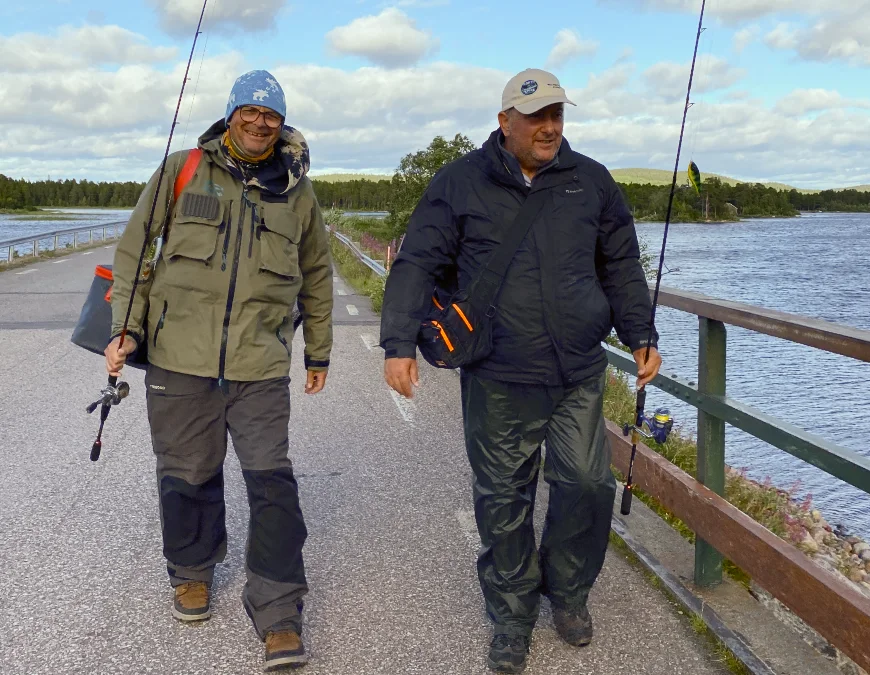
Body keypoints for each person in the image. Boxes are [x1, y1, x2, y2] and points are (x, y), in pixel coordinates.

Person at [379, 68, 662, 673]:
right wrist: (398, 343)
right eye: (537, 118)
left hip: (577, 371)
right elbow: (417, 262)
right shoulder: (459, 182)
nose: (550, 128)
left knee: (587, 485)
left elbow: (621, 264)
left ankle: (567, 590)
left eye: (557, 115)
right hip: (498, 373)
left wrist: (641, 333)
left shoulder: (592, 182)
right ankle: (511, 616)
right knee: (504, 498)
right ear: (505, 121)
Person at [105, 70, 333, 671]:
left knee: (273, 485)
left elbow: (317, 274)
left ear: (282, 124)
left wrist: (319, 351)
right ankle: (191, 573)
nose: (260, 122)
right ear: (230, 115)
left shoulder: (297, 191)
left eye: (271, 115)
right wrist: (125, 329)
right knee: (187, 476)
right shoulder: (182, 170)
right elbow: (135, 251)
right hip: (179, 360)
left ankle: (278, 611)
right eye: (249, 111)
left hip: (260, 365)